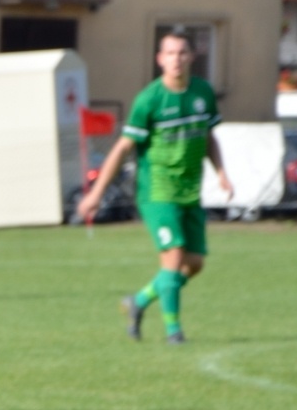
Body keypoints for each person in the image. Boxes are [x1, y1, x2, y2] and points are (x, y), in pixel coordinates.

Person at [79, 29, 233, 344]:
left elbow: (208, 137)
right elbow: (122, 148)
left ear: (191, 57)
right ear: (160, 60)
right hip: (157, 191)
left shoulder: (203, 93)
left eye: (182, 53)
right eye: (170, 54)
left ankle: (138, 301)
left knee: (194, 264)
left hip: (190, 190)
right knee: (174, 257)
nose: (176, 59)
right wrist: (95, 194)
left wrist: (221, 172)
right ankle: (173, 332)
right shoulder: (149, 100)